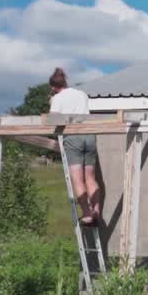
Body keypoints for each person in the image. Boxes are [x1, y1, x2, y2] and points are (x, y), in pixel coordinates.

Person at [49, 68, 100, 226]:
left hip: (73, 137)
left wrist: (51, 102)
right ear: (65, 82)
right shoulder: (81, 94)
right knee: (90, 178)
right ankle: (96, 210)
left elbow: (52, 119)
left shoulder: (57, 98)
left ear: (53, 87)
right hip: (90, 135)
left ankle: (87, 213)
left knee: (77, 179)